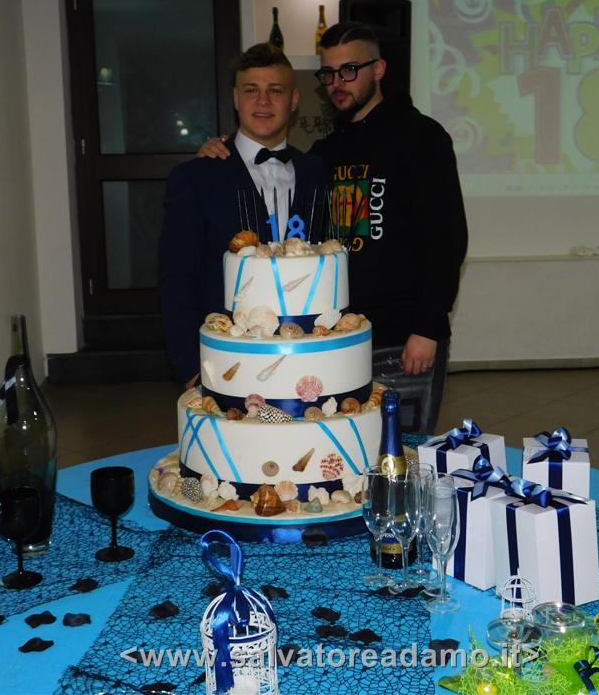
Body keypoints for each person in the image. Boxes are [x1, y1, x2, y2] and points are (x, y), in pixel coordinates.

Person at [200, 23, 468, 433]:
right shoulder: (325, 152)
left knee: (402, 452)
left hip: (403, 338)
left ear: (378, 69)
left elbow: (447, 237)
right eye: (328, 73)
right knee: (345, 454)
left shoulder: (422, 138)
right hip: (333, 341)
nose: (337, 83)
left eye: (349, 70)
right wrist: (218, 149)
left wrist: (428, 328)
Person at [158, 43, 330, 389]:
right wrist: (190, 367)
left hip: (311, 356)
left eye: (275, 91)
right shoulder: (195, 178)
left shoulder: (320, 173)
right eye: (252, 90)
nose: (262, 101)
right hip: (225, 359)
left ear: (294, 100)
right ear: (236, 99)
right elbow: (176, 278)